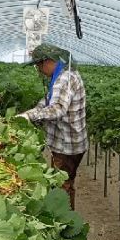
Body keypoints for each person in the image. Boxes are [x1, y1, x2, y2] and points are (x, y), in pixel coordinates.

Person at [18, 44, 87, 210]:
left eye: (38, 65)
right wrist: (30, 113)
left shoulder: (64, 79)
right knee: (62, 182)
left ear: (48, 62)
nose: (38, 70)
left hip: (67, 144)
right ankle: (64, 219)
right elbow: (47, 103)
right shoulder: (62, 76)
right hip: (68, 142)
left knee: (61, 186)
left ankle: (64, 225)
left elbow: (57, 109)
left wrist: (30, 116)